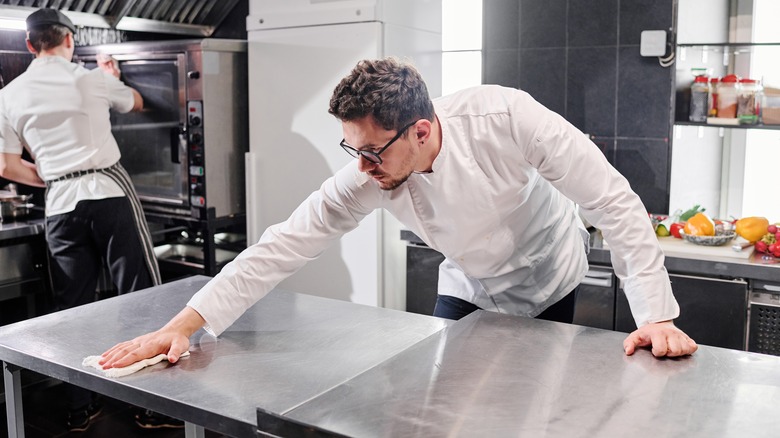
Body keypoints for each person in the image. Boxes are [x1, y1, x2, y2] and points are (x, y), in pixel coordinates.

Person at [100, 57, 697, 372]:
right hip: (470, 284)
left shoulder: (508, 117)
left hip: (549, 274)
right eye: (350, 149)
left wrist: (658, 315)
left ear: (421, 128)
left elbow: (612, 200)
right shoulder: (374, 171)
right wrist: (182, 326)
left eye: (370, 151)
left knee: (535, 406)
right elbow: (282, 244)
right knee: (445, 407)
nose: (360, 166)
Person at [0, 8, 181, 432]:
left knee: (72, 310)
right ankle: (150, 406)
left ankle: (80, 410)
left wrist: (55, 177)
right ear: (69, 40)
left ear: (30, 45)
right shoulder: (88, 78)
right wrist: (111, 77)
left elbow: (7, 166)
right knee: (140, 298)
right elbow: (136, 102)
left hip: (61, 205)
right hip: (109, 194)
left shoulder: (8, 94)